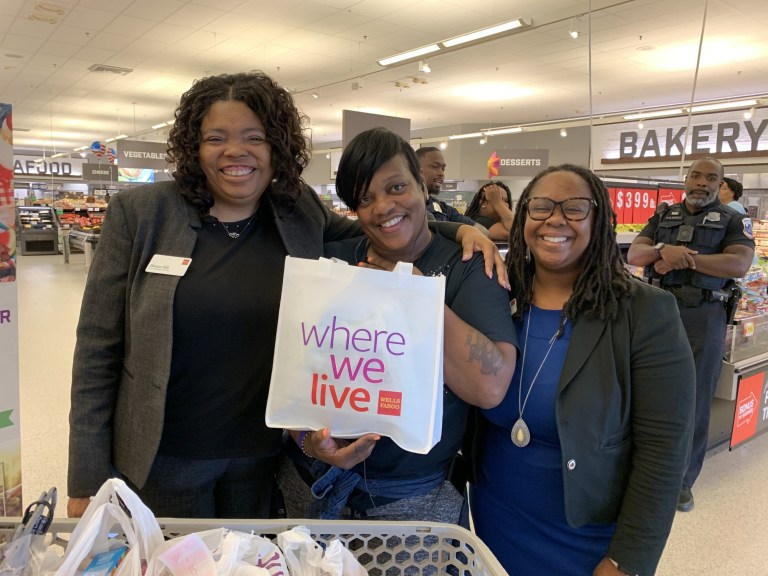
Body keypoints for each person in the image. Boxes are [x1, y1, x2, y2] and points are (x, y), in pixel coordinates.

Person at [67, 71, 504, 520]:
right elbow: (97, 349)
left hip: (260, 458)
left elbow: (382, 224)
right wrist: (85, 478)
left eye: (253, 137)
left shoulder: (297, 211)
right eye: (215, 138)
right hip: (162, 458)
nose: (235, 151)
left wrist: (463, 230)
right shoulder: (142, 215)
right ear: (193, 148)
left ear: (276, 146)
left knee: (252, 555)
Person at [279, 127, 518, 525]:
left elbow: (489, 388)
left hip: (411, 501)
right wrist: (308, 442)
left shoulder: (467, 266)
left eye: (396, 187)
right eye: (365, 198)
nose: (383, 206)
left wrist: (415, 297)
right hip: (311, 483)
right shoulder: (334, 260)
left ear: (422, 186)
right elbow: (293, 377)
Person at [468, 164, 696, 576]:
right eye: (541, 207)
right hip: (494, 522)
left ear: (599, 221)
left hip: (587, 539)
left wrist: (628, 559)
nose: (555, 219)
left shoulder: (644, 312)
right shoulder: (496, 296)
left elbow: (664, 450)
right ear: (523, 217)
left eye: (574, 208)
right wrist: (460, 231)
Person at [627, 157, 755, 513]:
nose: (702, 183)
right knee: (645, 391)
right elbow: (636, 253)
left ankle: (681, 482)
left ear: (720, 184)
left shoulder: (733, 220)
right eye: (696, 176)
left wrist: (681, 258)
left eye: (711, 178)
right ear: (686, 179)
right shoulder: (664, 215)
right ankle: (640, 469)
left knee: (695, 399)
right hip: (656, 314)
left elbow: (739, 263)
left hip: (704, 315)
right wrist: (661, 251)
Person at [416, 147, 482, 228]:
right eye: (435, 167)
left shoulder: (443, 208)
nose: (441, 173)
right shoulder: (405, 206)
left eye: (443, 169)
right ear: (416, 170)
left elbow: (481, 230)